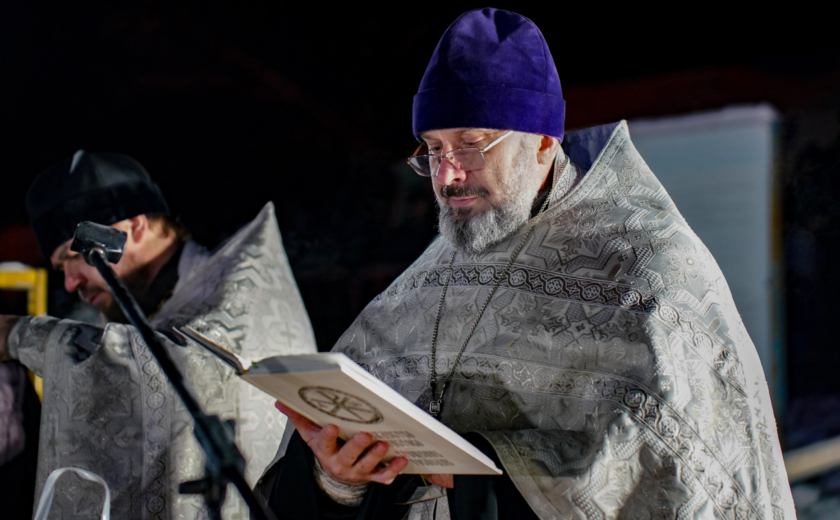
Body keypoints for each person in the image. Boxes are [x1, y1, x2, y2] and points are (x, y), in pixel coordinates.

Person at [260, 8, 796, 520]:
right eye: (433, 149)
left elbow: (670, 476)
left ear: (542, 142)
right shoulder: (423, 283)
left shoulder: (646, 269)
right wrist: (338, 482)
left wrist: (484, 475)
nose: (447, 176)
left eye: (470, 145)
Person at [0, 150, 317, 520]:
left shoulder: (237, 293)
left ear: (134, 227)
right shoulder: (164, 303)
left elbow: (188, 372)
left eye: (73, 257)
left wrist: (18, 334)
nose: (70, 283)